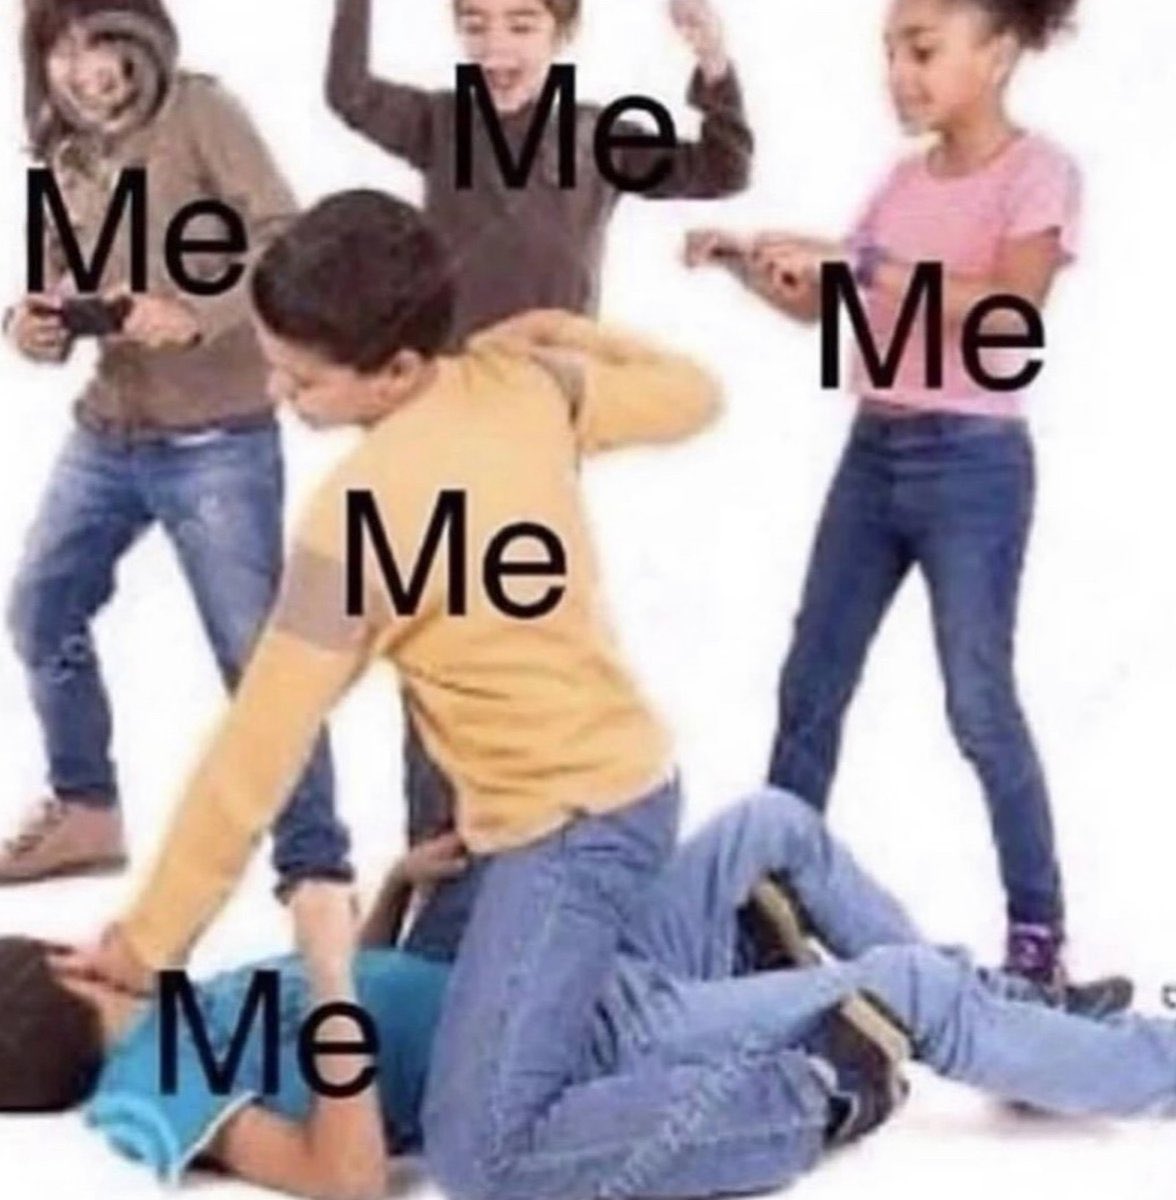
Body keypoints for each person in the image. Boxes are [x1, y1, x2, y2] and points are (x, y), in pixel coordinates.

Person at [4, 791, 1166, 1200]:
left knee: (769, 823)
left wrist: (394, 895)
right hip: (575, 1041)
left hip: (546, 973)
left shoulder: (185, 1015)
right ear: (67, 965)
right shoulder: (146, 1091)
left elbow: (356, 1012)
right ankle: (1139, 1064)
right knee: (905, 987)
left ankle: (1020, 1025)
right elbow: (344, 1175)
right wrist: (331, 975)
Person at [325, 0, 755, 961]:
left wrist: (713, 62)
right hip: (436, 431)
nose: (496, 47)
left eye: (521, 25)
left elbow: (722, 167)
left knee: (533, 642)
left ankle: (544, 872)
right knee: (438, 647)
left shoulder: (599, 137)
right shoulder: (441, 123)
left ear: (562, 36)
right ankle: (443, 884)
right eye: (475, 24)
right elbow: (347, 93)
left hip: (536, 439)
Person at [686, 0, 1082, 988]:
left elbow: (1009, 313)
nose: (900, 73)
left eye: (923, 51)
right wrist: (749, 265)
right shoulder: (901, 182)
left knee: (978, 702)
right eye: (890, 52)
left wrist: (858, 260)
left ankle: (1038, 934)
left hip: (973, 465)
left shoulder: (1039, 174)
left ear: (998, 54)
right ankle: (768, 916)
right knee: (809, 685)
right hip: (873, 453)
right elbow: (841, 312)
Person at [0, 0, 349, 892]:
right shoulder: (65, 150)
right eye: (60, 51)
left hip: (216, 438)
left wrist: (196, 312)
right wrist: (30, 324)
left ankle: (314, 861)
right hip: (108, 429)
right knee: (40, 609)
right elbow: (52, 278)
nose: (83, 69)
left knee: (256, 660)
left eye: (101, 44)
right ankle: (86, 809)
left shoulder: (201, 111)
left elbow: (287, 236)